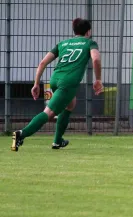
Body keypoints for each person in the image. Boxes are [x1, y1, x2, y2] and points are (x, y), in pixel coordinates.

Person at [11, 18, 103, 151]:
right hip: (68, 83)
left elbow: (42, 63)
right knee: (49, 112)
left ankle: (57, 140)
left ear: (74, 31)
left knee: (71, 103)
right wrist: (98, 79)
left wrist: (36, 84)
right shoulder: (90, 43)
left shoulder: (63, 43)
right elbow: (96, 59)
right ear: (88, 32)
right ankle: (21, 134)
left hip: (55, 79)